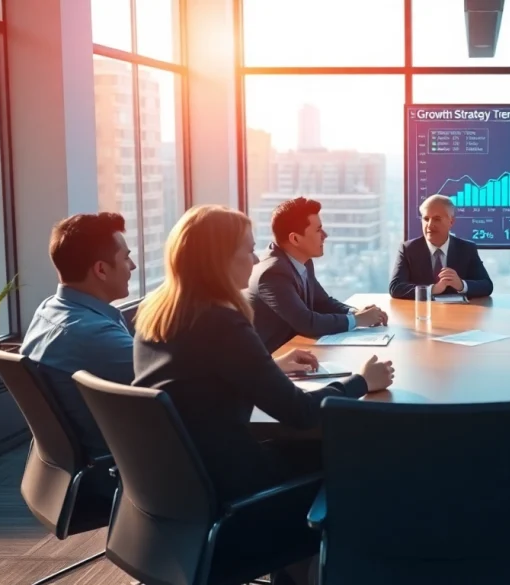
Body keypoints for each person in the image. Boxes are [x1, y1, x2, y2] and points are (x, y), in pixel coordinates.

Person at [132, 205, 395, 585]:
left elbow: (197, 377)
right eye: (247, 250)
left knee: (304, 452)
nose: (255, 259)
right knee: (346, 461)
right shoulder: (222, 322)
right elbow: (300, 413)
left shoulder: (157, 313)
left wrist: (267, 366)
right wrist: (361, 382)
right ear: (219, 260)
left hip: (174, 488)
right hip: (231, 495)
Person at [21, 212, 136, 473]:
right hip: (123, 470)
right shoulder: (94, 336)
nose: (132, 266)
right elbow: (171, 388)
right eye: (126, 257)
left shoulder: (49, 310)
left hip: (75, 467)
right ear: (101, 269)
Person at [246, 197, 388, 353]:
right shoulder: (272, 273)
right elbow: (307, 322)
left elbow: (323, 302)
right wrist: (357, 320)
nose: (325, 235)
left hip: (297, 350)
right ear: (295, 239)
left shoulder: (302, 261)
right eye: (318, 230)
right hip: (274, 358)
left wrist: (355, 312)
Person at [389, 194, 494, 299]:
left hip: (458, 309)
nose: (430, 225)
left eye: (437, 219)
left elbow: (487, 285)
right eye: (426, 219)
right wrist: (432, 289)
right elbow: (395, 287)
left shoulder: (467, 249)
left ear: (451, 222)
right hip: (423, 308)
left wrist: (461, 285)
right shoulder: (408, 249)